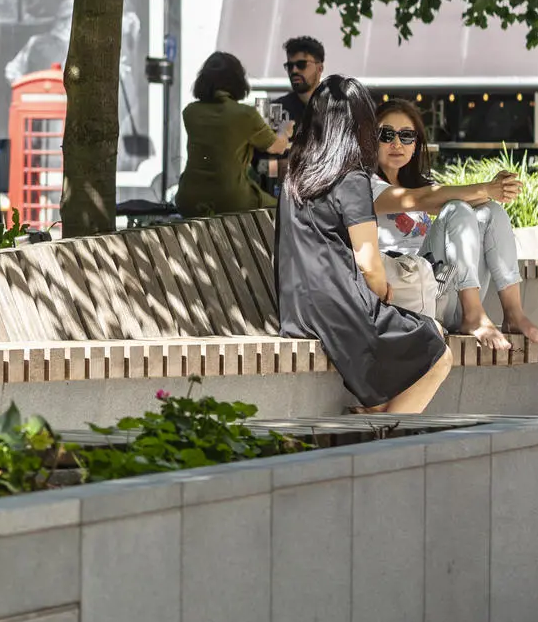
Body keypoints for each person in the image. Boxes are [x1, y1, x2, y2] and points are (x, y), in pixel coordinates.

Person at [276, 75, 451, 414]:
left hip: (296, 311)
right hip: (340, 312)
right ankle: (385, 445)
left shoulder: (296, 175)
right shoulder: (351, 177)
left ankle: (373, 425)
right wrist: (382, 288)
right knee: (439, 351)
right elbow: (369, 262)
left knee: (404, 364)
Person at [370, 99, 538, 351]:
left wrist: (494, 190)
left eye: (407, 136)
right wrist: (487, 188)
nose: (397, 143)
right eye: (386, 135)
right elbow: (424, 200)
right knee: (456, 209)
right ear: (370, 140)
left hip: (442, 295)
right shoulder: (366, 186)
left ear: (416, 144)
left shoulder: (418, 185)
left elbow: (438, 199)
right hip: (407, 301)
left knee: (490, 213)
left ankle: (513, 313)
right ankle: (473, 313)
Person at [175, 51, 289, 215]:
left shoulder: (190, 112)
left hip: (189, 199)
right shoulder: (245, 114)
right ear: (238, 81)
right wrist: (285, 130)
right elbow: (277, 147)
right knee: (280, 208)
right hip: (232, 200)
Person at [274, 35, 327, 127]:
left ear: (319, 68)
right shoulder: (277, 108)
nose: (294, 71)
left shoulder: (340, 108)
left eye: (301, 64)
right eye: (290, 66)